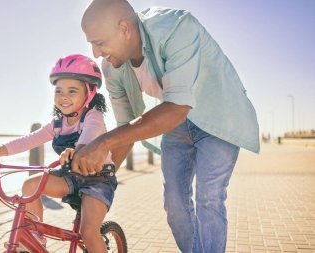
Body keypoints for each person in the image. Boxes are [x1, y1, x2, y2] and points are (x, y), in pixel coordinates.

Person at [73, 1, 260, 253]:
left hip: (219, 117)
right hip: (177, 125)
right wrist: (99, 183)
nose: (95, 53)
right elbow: (123, 132)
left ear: (125, 29)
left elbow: (177, 107)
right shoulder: (112, 67)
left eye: (99, 42)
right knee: (174, 205)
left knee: (209, 197)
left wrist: (102, 143)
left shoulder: (176, 27)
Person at [0, 54, 117, 253]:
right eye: (59, 91)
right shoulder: (57, 125)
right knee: (30, 185)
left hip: (98, 180)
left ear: (89, 93)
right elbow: (27, 141)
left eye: (72, 91)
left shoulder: (93, 117)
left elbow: (89, 135)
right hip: (71, 177)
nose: (64, 96)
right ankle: (35, 237)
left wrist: (77, 151)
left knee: (88, 232)